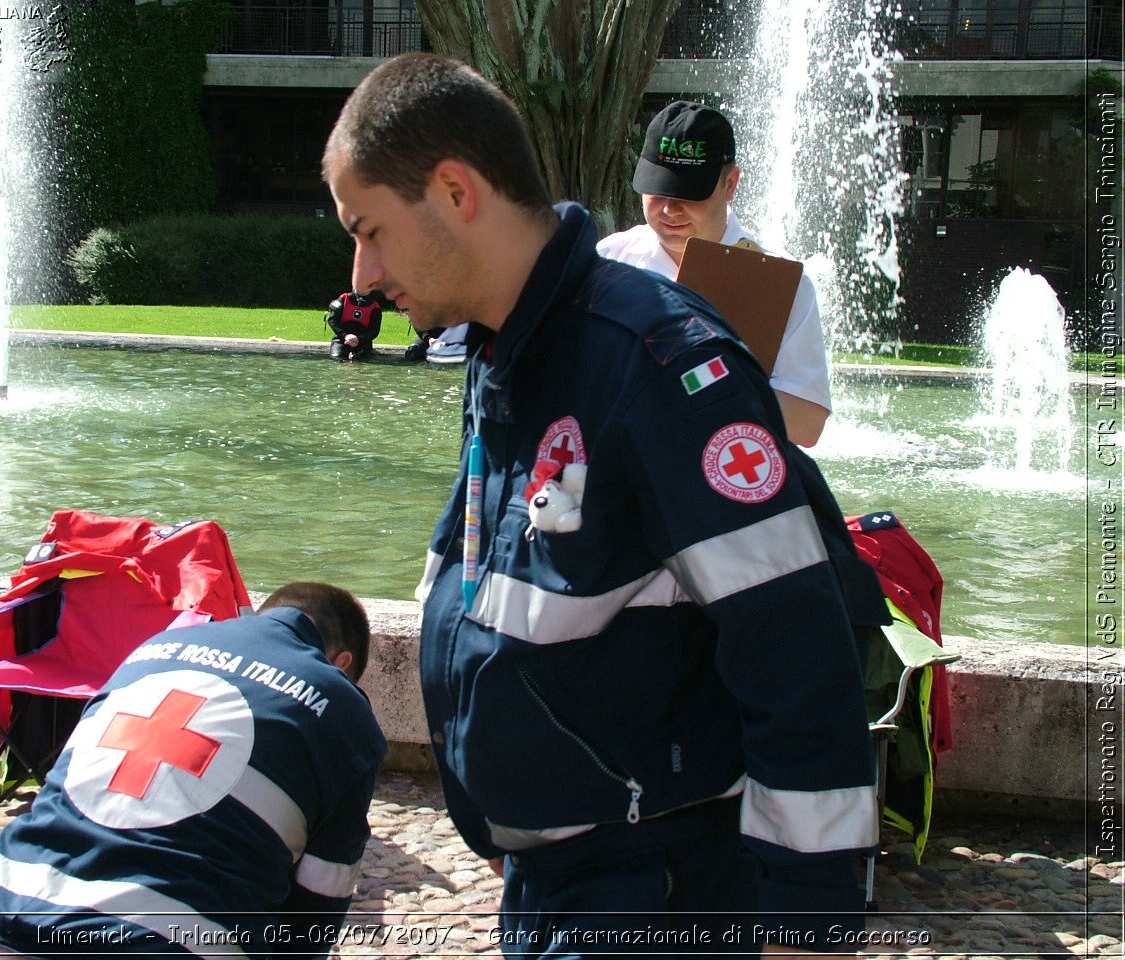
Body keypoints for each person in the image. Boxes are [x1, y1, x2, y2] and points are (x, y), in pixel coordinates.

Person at [323, 53, 885, 957]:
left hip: (653, 892)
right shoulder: (510, 348)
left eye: (371, 229)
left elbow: (798, 654)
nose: (361, 270)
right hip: (562, 879)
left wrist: (805, 923)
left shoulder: (656, 364)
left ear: (455, 190)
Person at [0, 582, 387, 958]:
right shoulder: (340, 703)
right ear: (341, 663)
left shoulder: (153, 648)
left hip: (1, 912)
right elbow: (313, 912)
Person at [598, 102, 832, 447]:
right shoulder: (607, 261)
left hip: (724, 475)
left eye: (689, 192)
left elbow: (808, 422)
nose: (669, 208)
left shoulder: (781, 282)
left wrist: (702, 384)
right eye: (658, 187)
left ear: (731, 184)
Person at [326, 290, 383, 361]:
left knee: (359, 360)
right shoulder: (344, 298)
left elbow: (374, 330)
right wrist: (345, 336)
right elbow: (332, 320)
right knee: (337, 358)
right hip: (341, 339)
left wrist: (358, 339)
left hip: (363, 342)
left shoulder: (375, 306)